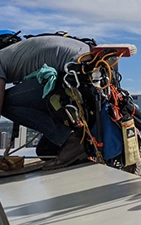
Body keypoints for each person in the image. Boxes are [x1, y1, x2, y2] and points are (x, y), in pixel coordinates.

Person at [0, 34, 92, 170]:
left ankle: (70, 139)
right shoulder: (17, 53)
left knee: (6, 104)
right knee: (46, 149)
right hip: (87, 63)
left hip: (75, 69)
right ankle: (74, 139)